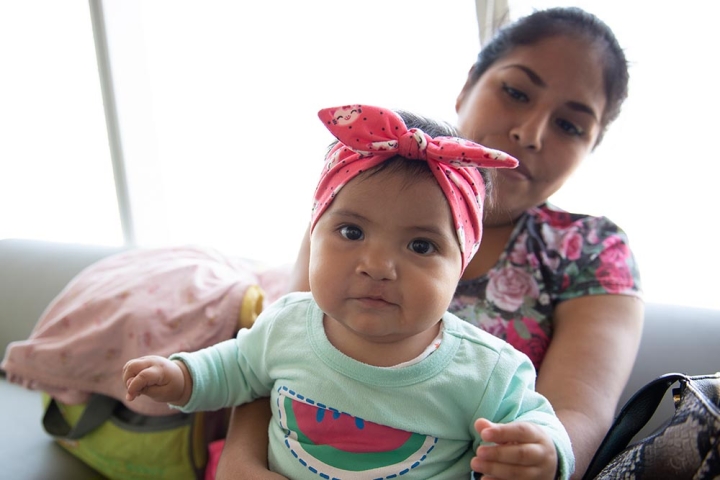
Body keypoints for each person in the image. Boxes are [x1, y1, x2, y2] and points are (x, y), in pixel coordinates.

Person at [219, 7, 644, 480]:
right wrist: (241, 464)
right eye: (516, 92)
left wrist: (537, 459)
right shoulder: (360, 201)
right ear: (468, 86)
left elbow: (576, 418)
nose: (531, 132)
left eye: (570, 125)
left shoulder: (592, 251)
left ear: (592, 147)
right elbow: (273, 355)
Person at [123, 104, 576, 479]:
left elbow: (537, 421)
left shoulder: (487, 370)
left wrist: (543, 452)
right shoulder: (287, 324)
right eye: (352, 232)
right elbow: (235, 367)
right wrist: (181, 376)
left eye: (421, 245)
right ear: (314, 234)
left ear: (461, 268)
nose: (377, 266)